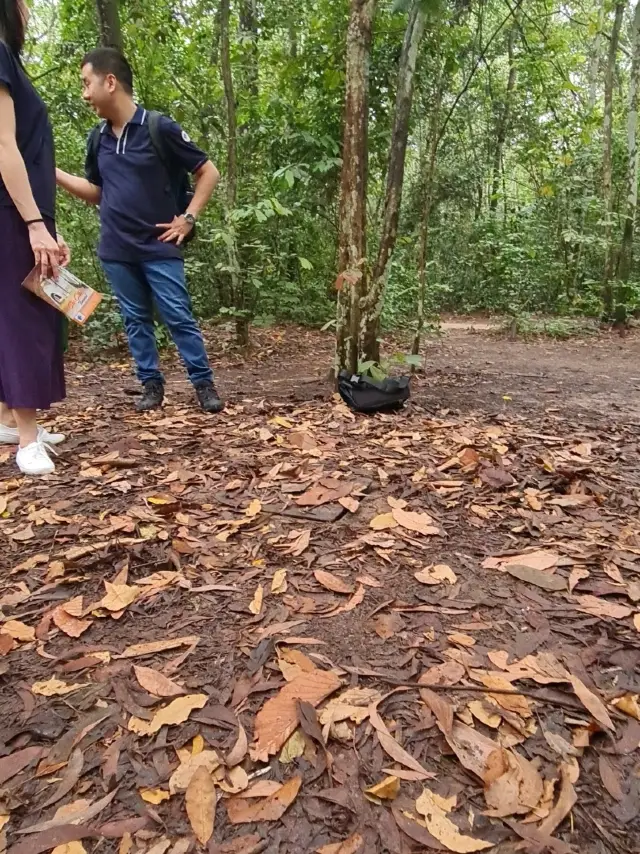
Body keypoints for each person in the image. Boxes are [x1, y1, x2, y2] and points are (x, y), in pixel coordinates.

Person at [56, 48, 224, 414]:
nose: (84, 94)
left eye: (87, 83)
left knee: (178, 314)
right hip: (117, 248)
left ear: (110, 81)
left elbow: (207, 171)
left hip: (160, 245)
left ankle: (203, 383)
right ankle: (151, 385)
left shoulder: (158, 127)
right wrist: (51, 172)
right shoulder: (97, 137)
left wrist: (189, 218)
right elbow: (97, 192)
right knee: (135, 319)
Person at [0, 0, 68, 476]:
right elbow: (3, 146)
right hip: (12, 212)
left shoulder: (9, 59)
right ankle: (26, 439)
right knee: (22, 315)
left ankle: (9, 419)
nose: (27, 10)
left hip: (24, 210)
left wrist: (45, 222)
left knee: (16, 311)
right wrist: (35, 224)